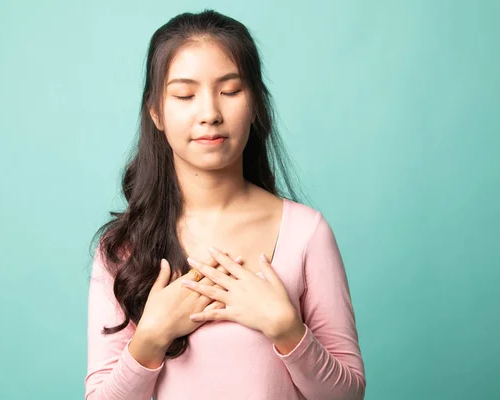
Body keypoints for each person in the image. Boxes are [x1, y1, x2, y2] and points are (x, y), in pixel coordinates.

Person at [84, 9, 365, 400]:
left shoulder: (306, 233)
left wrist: (287, 330)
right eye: (184, 95)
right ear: (156, 112)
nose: (210, 114)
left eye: (230, 91)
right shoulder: (121, 248)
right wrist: (151, 337)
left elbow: (348, 395)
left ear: (255, 105)